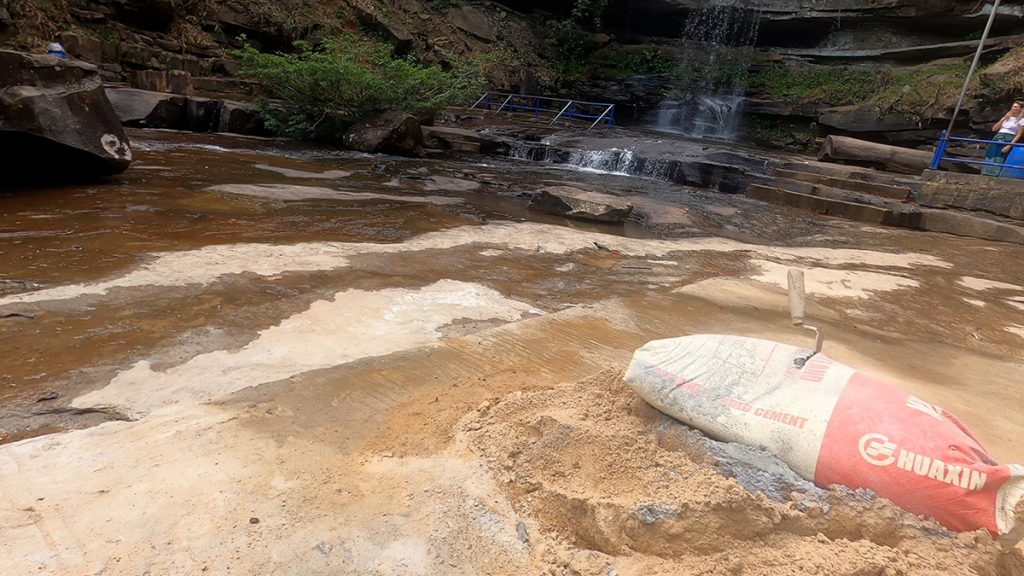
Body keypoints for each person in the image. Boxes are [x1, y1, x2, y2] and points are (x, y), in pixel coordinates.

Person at [981, 101, 1022, 175]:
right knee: (991, 155)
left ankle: (995, 174)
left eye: (1015, 107)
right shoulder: (1006, 117)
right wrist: (1004, 119)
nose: (1013, 108)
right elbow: (994, 129)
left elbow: (1018, 134)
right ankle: (985, 172)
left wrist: (1009, 145)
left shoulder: (1021, 120)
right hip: (998, 136)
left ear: (1020, 109)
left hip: (1008, 137)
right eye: (1013, 106)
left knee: (1000, 157)